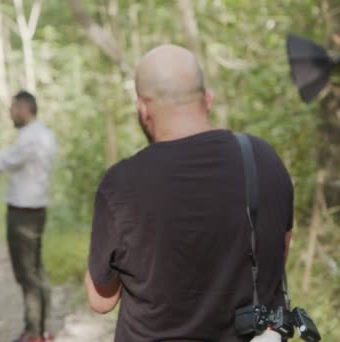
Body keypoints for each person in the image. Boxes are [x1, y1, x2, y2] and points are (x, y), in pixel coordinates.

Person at [85, 45, 293, 341]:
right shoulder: (263, 159)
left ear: (143, 110)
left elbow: (101, 300)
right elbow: (277, 257)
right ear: (208, 99)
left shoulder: (121, 184)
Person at [0, 91, 57, 342]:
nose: (10, 114)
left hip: (23, 213)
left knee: (27, 274)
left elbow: (3, 163)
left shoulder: (30, 137)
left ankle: (33, 333)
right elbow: (8, 158)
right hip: (38, 210)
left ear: (25, 108)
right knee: (37, 270)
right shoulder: (45, 134)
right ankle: (44, 329)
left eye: (13, 108)